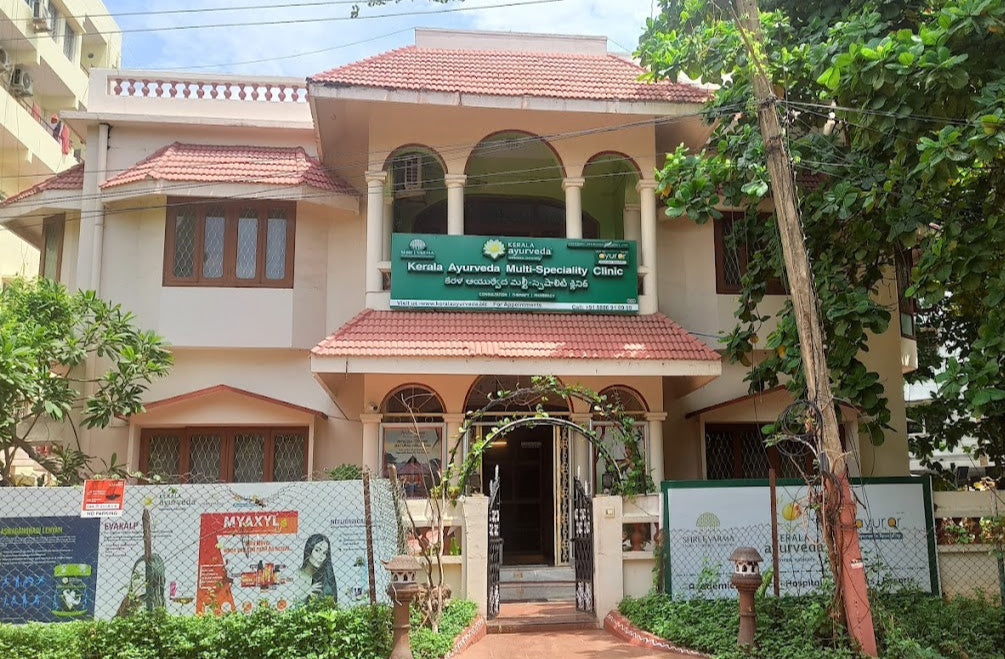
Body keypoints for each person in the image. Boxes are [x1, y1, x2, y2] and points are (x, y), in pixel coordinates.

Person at [291, 533, 337, 605]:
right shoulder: (295, 576)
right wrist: (307, 593)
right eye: (317, 550)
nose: (321, 556)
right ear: (309, 550)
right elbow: (289, 603)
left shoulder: (325, 578)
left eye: (324, 553)